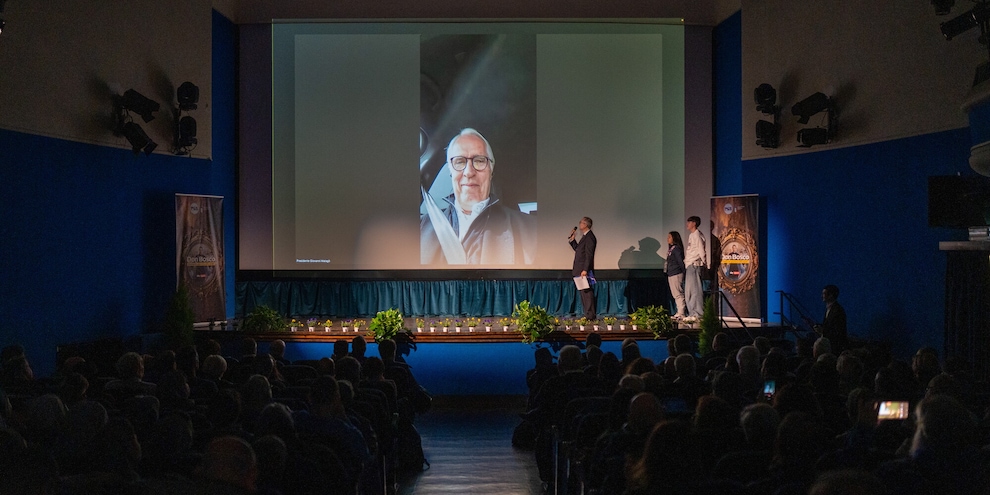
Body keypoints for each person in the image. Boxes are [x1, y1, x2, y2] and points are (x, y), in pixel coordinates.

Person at [420, 128, 536, 265]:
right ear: (450, 171)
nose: (469, 172)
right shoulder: (420, 228)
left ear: (491, 171)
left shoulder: (532, 231)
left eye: (480, 161)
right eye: (459, 162)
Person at [569, 216, 597, 320]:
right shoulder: (585, 236)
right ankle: (588, 314)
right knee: (583, 293)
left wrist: (585, 269)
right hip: (580, 269)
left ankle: (590, 316)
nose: (579, 224)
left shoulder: (590, 237)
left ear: (585, 225)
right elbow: (579, 250)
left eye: (581, 222)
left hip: (584, 270)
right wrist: (573, 240)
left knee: (587, 293)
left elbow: (589, 255)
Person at [683, 215, 707, 322]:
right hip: (689, 265)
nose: (687, 224)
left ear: (694, 223)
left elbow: (701, 250)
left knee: (695, 290)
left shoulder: (697, 235)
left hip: (694, 264)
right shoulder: (691, 235)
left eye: (689, 222)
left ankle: (698, 314)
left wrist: (704, 263)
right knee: (689, 291)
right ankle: (692, 312)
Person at [814, 284, 848, 353]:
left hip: (834, 347)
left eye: (824, 294)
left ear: (831, 295)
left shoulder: (837, 311)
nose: (822, 296)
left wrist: (823, 331)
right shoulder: (833, 309)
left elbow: (838, 331)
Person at [664, 231, 686, 320]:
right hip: (671, 273)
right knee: (675, 294)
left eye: (669, 237)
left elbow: (680, 261)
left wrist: (684, 272)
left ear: (674, 238)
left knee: (678, 293)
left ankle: (681, 312)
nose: (667, 239)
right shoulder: (671, 249)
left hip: (676, 273)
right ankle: (679, 311)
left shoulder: (676, 249)